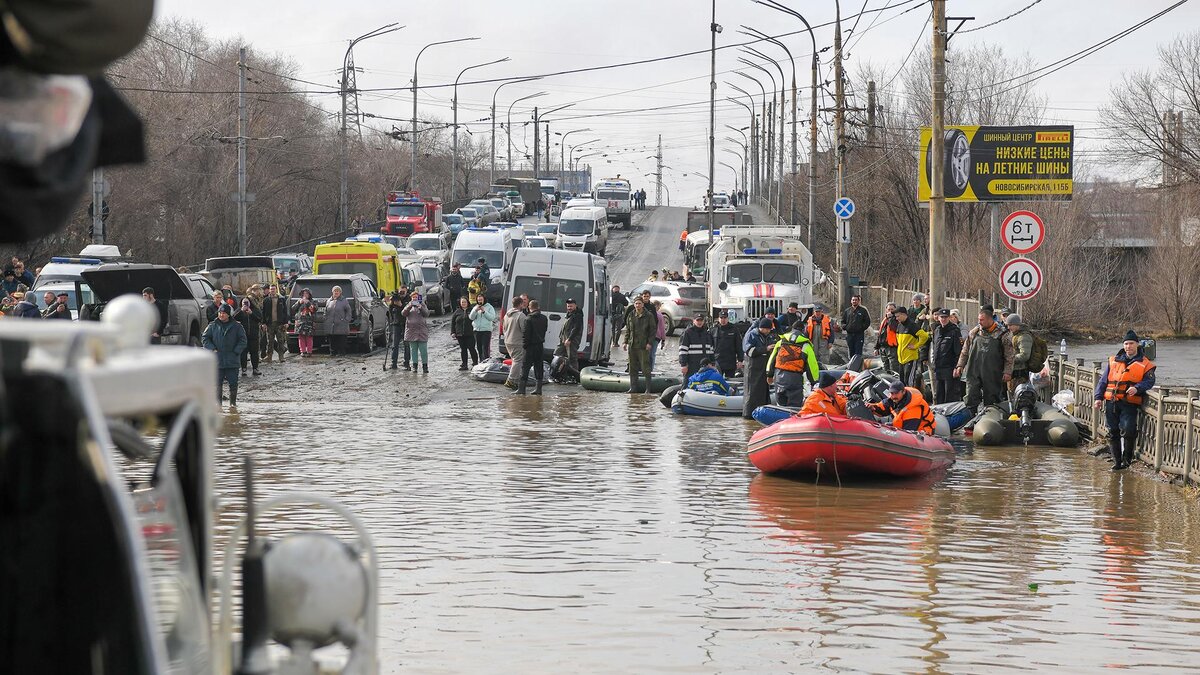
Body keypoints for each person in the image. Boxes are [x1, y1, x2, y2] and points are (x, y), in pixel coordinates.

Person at [1094, 330, 1157, 471]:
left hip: (1129, 402)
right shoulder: (1114, 361)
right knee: (1113, 431)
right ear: (1123, 345)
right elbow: (1103, 381)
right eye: (1126, 344)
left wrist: (1138, 388)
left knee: (1128, 431)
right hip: (1112, 401)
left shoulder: (1145, 364)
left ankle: (1127, 460)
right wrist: (1098, 398)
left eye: (1131, 344)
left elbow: (1150, 381)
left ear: (1137, 345)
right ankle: (1117, 462)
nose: (1129, 346)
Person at [954, 305, 1014, 415]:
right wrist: (960, 366)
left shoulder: (1003, 334)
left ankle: (991, 421)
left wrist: (1007, 372)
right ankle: (971, 420)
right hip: (974, 371)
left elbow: (1009, 356)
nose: (979, 322)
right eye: (979, 319)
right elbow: (965, 350)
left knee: (992, 399)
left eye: (982, 320)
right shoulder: (975, 332)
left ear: (990, 319)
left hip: (993, 372)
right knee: (971, 396)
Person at [202, 304, 247, 407]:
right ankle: (218, 405)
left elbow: (243, 340)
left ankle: (233, 404)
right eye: (220, 313)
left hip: (232, 360)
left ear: (228, 314)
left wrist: (236, 351)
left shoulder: (237, 326)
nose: (221, 315)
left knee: (233, 383)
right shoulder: (212, 325)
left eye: (224, 313)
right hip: (217, 360)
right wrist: (212, 348)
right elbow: (205, 338)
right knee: (217, 384)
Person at [766, 321, 820, 407]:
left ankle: (780, 418)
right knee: (794, 406)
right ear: (803, 330)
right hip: (794, 379)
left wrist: (769, 374)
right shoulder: (806, 345)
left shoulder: (781, 342)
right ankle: (793, 418)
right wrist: (815, 382)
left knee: (780, 404)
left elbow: (772, 359)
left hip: (779, 377)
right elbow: (812, 365)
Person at [869, 380, 936, 434]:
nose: (894, 396)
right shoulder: (894, 399)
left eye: (896, 393)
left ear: (903, 392)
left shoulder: (913, 408)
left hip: (922, 431)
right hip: (902, 427)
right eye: (892, 393)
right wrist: (873, 407)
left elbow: (909, 432)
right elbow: (883, 407)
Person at [742, 318, 778, 418]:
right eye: (766, 329)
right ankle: (749, 415)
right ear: (761, 328)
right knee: (752, 393)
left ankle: (762, 415)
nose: (768, 331)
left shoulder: (768, 336)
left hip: (764, 369)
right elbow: (749, 351)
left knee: (763, 393)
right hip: (753, 369)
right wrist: (766, 349)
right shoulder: (752, 335)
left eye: (769, 329)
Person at [623, 297, 657, 393]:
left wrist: (650, 343)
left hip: (643, 345)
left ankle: (648, 389)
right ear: (634, 304)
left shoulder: (649, 315)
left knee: (645, 367)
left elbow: (652, 331)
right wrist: (625, 342)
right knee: (632, 368)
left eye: (639, 303)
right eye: (636, 303)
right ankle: (633, 388)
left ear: (642, 304)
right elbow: (628, 330)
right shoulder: (631, 315)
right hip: (632, 345)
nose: (637, 305)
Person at [931, 308, 963, 403]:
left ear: (949, 318)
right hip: (938, 367)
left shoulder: (954, 331)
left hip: (949, 368)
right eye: (941, 317)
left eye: (945, 317)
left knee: (950, 395)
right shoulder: (937, 330)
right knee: (939, 395)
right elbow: (935, 348)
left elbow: (958, 351)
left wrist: (956, 367)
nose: (943, 319)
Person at [517, 299, 548, 395]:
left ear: (530, 308)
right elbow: (545, 330)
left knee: (525, 367)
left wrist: (525, 346)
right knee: (539, 367)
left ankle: (521, 389)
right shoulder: (544, 318)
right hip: (540, 345)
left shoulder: (528, 319)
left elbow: (526, 335)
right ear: (538, 307)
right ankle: (538, 389)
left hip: (530, 346)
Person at [503, 296, 529, 389]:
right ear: (520, 304)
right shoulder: (520, 315)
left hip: (508, 341)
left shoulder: (507, 314)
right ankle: (511, 380)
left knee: (515, 360)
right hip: (517, 341)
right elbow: (524, 329)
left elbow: (504, 328)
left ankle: (514, 379)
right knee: (517, 361)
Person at [678, 313, 715, 377]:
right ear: (693, 321)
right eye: (697, 320)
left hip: (705, 366)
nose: (699, 322)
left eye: (701, 320)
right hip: (691, 366)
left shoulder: (707, 334)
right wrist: (683, 365)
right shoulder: (687, 333)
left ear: (704, 321)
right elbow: (683, 350)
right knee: (687, 384)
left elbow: (711, 350)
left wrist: (712, 363)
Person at [260, 284, 290, 363]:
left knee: (281, 341)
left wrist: (286, 322)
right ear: (269, 290)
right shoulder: (266, 300)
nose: (272, 290)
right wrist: (264, 323)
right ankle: (269, 356)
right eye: (271, 289)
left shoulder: (281, 299)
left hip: (279, 323)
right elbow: (263, 312)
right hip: (270, 323)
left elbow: (285, 312)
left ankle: (281, 356)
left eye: (273, 289)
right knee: (270, 341)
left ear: (276, 290)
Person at [556, 297, 583, 381]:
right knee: (557, 355)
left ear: (575, 306)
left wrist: (569, 339)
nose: (569, 308)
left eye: (571, 306)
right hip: (563, 339)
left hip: (572, 340)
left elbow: (576, 328)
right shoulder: (568, 314)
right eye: (568, 306)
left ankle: (576, 378)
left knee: (572, 359)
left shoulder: (577, 315)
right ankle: (561, 375)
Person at [403, 292, 431, 373]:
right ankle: (414, 366)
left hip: (422, 331)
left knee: (423, 351)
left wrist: (420, 307)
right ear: (411, 298)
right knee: (413, 350)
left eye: (416, 297)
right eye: (413, 297)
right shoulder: (409, 305)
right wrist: (409, 306)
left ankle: (425, 366)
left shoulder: (422, 305)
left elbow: (426, 314)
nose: (415, 299)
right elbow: (403, 313)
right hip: (411, 331)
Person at [1006, 313, 1034, 393]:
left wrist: (1010, 359)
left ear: (1017, 324)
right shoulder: (1015, 335)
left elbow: (1025, 355)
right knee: (1012, 395)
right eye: (1008, 325)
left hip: (1020, 373)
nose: (1009, 328)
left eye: (1011, 325)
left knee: (1019, 395)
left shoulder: (1024, 337)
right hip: (1013, 371)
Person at [450, 296, 478, 370]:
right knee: (463, 349)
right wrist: (453, 332)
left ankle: (475, 363)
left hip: (470, 334)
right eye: (462, 302)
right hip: (460, 334)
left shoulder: (472, 310)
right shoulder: (457, 311)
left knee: (472, 348)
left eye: (465, 302)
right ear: (460, 303)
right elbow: (453, 323)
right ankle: (464, 364)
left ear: (467, 302)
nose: (463, 303)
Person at [712, 310, 742, 378]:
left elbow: (739, 345)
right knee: (717, 381)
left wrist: (740, 360)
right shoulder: (713, 330)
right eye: (721, 318)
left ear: (728, 318)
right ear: (718, 319)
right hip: (717, 361)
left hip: (730, 361)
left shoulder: (734, 329)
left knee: (731, 382)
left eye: (725, 318)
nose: (723, 320)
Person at [324, 285, 352, 357]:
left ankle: (341, 352)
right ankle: (332, 352)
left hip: (341, 324)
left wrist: (346, 319)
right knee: (332, 339)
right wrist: (325, 318)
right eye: (335, 291)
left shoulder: (344, 301)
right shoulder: (329, 301)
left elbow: (348, 311)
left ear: (340, 292)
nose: (336, 292)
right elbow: (326, 311)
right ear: (332, 292)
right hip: (331, 324)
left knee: (341, 339)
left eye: (337, 291)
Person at [841, 294, 871, 360]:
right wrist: (846, 327)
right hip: (849, 335)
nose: (854, 301)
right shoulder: (847, 311)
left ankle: (857, 367)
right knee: (851, 351)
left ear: (859, 301)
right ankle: (851, 366)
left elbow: (867, 322)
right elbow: (843, 321)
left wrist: (861, 328)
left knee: (858, 352)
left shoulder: (863, 311)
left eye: (856, 300)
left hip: (859, 335)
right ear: (851, 301)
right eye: (853, 300)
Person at [875, 302, 900, 374]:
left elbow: (894, 328)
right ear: (886, 310)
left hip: (892, 348)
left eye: (892, 309)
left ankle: (895, 383)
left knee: (894, 368)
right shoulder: (884, 320)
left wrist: (891, 318)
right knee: (886, 368)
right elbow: (880, 334)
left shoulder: (897, 320)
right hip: (883, 347)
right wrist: (876, 347)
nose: (890, 311)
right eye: (888, 309)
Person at [469, 295, 497, 359]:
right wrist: (475, 311)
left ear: (484, 299)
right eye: (478, 300)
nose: (480, 301)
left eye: (481, 300)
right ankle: (481, 361)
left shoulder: (489, 307)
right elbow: (471, 317)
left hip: (486, 330)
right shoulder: (475, 307)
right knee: (479, 347)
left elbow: (492, 318)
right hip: (477, 330)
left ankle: (486, 361)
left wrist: (484, 311)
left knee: (485, 347)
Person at [385, 292, 406, 370]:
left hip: (404, 324)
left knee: (406, 344)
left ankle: (406, 362)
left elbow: (405, 314)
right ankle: (394, 363)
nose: (395, 302)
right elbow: (391, 316)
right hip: (395, 325)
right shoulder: (392, 306)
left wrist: (401, 306)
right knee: (395, 344)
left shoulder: (404, 302)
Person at [294, 288, 317, 357]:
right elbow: (293, 308)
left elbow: (314, 309)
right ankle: (303, 351)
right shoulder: (299, 301)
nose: (305, 295)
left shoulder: (313, 301)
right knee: (301, 337)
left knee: (309, 337)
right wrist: (299, 303)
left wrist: (308, 303)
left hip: (309, 322)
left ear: (309, 294)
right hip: (300, 322)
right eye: (304, 293)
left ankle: (309, 351)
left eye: (306, 293)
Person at [649, 300, 668, 372]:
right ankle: (651, 369)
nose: (659, 308)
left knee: (648, 354)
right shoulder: (659, 315)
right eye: (659, 306)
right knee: (652, 354)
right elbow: (662, 328)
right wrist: (663, 339)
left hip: (650, 337)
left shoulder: (648, 313)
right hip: (656, 337)